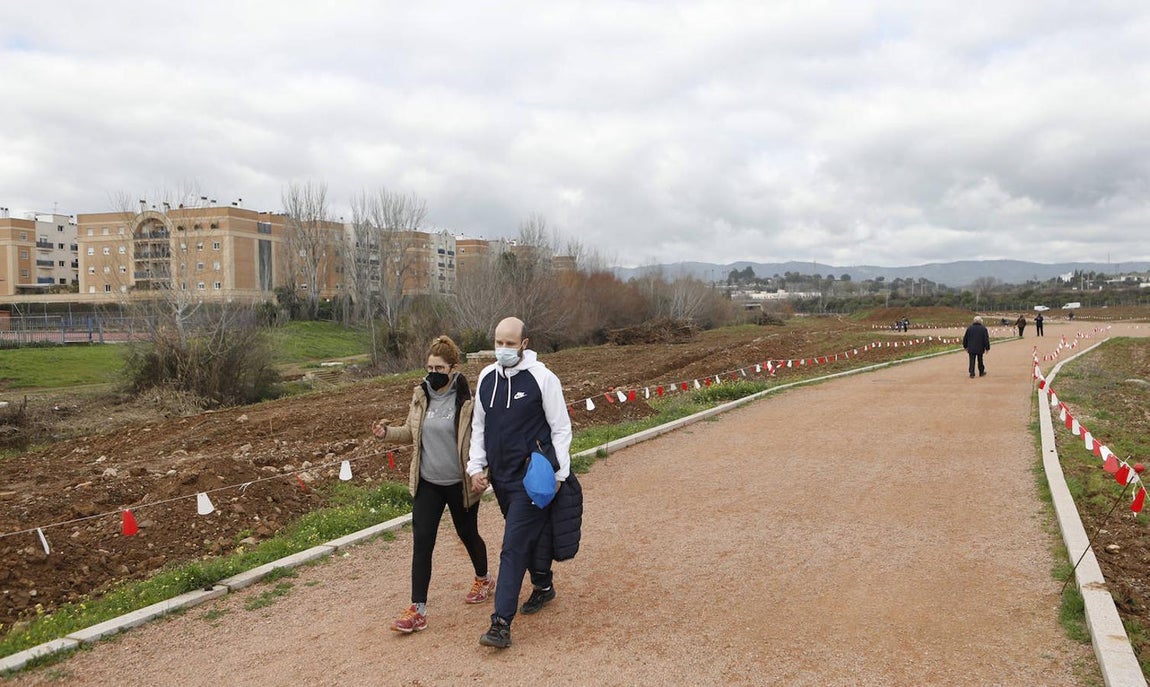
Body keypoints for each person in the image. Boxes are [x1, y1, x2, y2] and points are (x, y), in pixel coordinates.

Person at [467, 317, 582, 649]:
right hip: (500, 479)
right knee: (530, 535)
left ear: (524, 344)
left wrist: (559, 475)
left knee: (513, 546)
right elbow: (479, 427)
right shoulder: (486, 378)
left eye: (509, 343)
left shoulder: (543, 378)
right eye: (498, 343)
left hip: (532, 478)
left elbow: (561, 428)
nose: (502, 349)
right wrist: (476, 467)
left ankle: (500, 623)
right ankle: (543, 585)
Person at [372, 335, 493, 634]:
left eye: (439, 368)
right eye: (429, 368)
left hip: (460, 483)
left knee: (467, 534)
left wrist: (482, 472)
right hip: (428, 482)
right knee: (422, 541)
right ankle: (418, 609)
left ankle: (484, 578)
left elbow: (482, 440)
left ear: (453, 368)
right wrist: (386, 433)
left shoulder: (468, 401)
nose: (433, 373)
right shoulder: (421, 394)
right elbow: (410, 432)